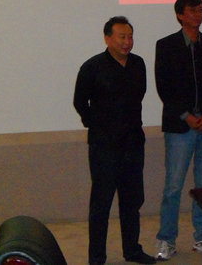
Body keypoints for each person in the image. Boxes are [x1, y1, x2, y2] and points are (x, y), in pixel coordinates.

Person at [73, 16, 156, 265]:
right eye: (122, 37)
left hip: (133, 143)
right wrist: (98, 125)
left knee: (132, 202)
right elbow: (80, 102)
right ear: (107, 38)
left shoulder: (138, 64)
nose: (127, 42)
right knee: (101, 205)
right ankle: (97, 257)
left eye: (130, 36)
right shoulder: (92, 67)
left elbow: (139, 96)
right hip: (104, 146)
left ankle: (132, 250)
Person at [154, 0, 202, 259]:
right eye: (192, 10)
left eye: (201, 10)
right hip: (179, 127)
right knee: (173, 186)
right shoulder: (166, 45)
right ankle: (167, 240)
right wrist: (186, 115)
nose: (198, 14)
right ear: (179, 15)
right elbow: (164, 86)